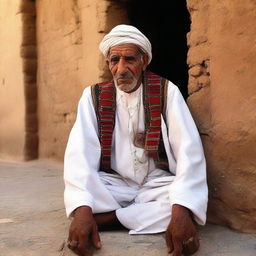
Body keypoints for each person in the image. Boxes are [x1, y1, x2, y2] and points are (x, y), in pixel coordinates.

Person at [64, 24, 208, 256]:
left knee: (182, 203)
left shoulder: (167, 91)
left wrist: (182, 210)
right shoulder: (92, 97)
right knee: (83, 193)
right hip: (113, 184)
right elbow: (79, 155)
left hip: (156, 184)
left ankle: (108, 219)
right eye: (114, 60)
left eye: (129, 59)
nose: (121, 69)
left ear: (144, 61)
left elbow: (189, 152)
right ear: (108, 63)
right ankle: (109, 216)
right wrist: (81, 212)